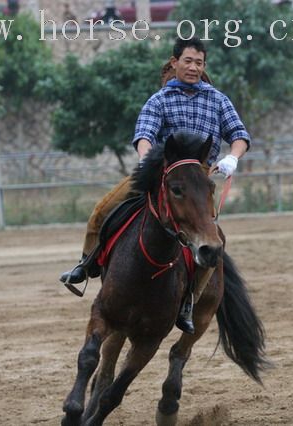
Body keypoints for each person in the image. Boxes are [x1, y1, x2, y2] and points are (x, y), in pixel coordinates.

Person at [59, 37, 250, 334]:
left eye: (199, 63)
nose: (193, 67)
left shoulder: (218, 99)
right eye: (188, 61)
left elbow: (239, 134)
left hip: (198, 180)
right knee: (102, 210)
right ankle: (85, 265)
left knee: (213, 241)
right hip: (161, 174)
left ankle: (188, 303)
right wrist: (150, 162)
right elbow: (144, 135)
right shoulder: (159, 100)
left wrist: (233, 158)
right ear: (174, 63)